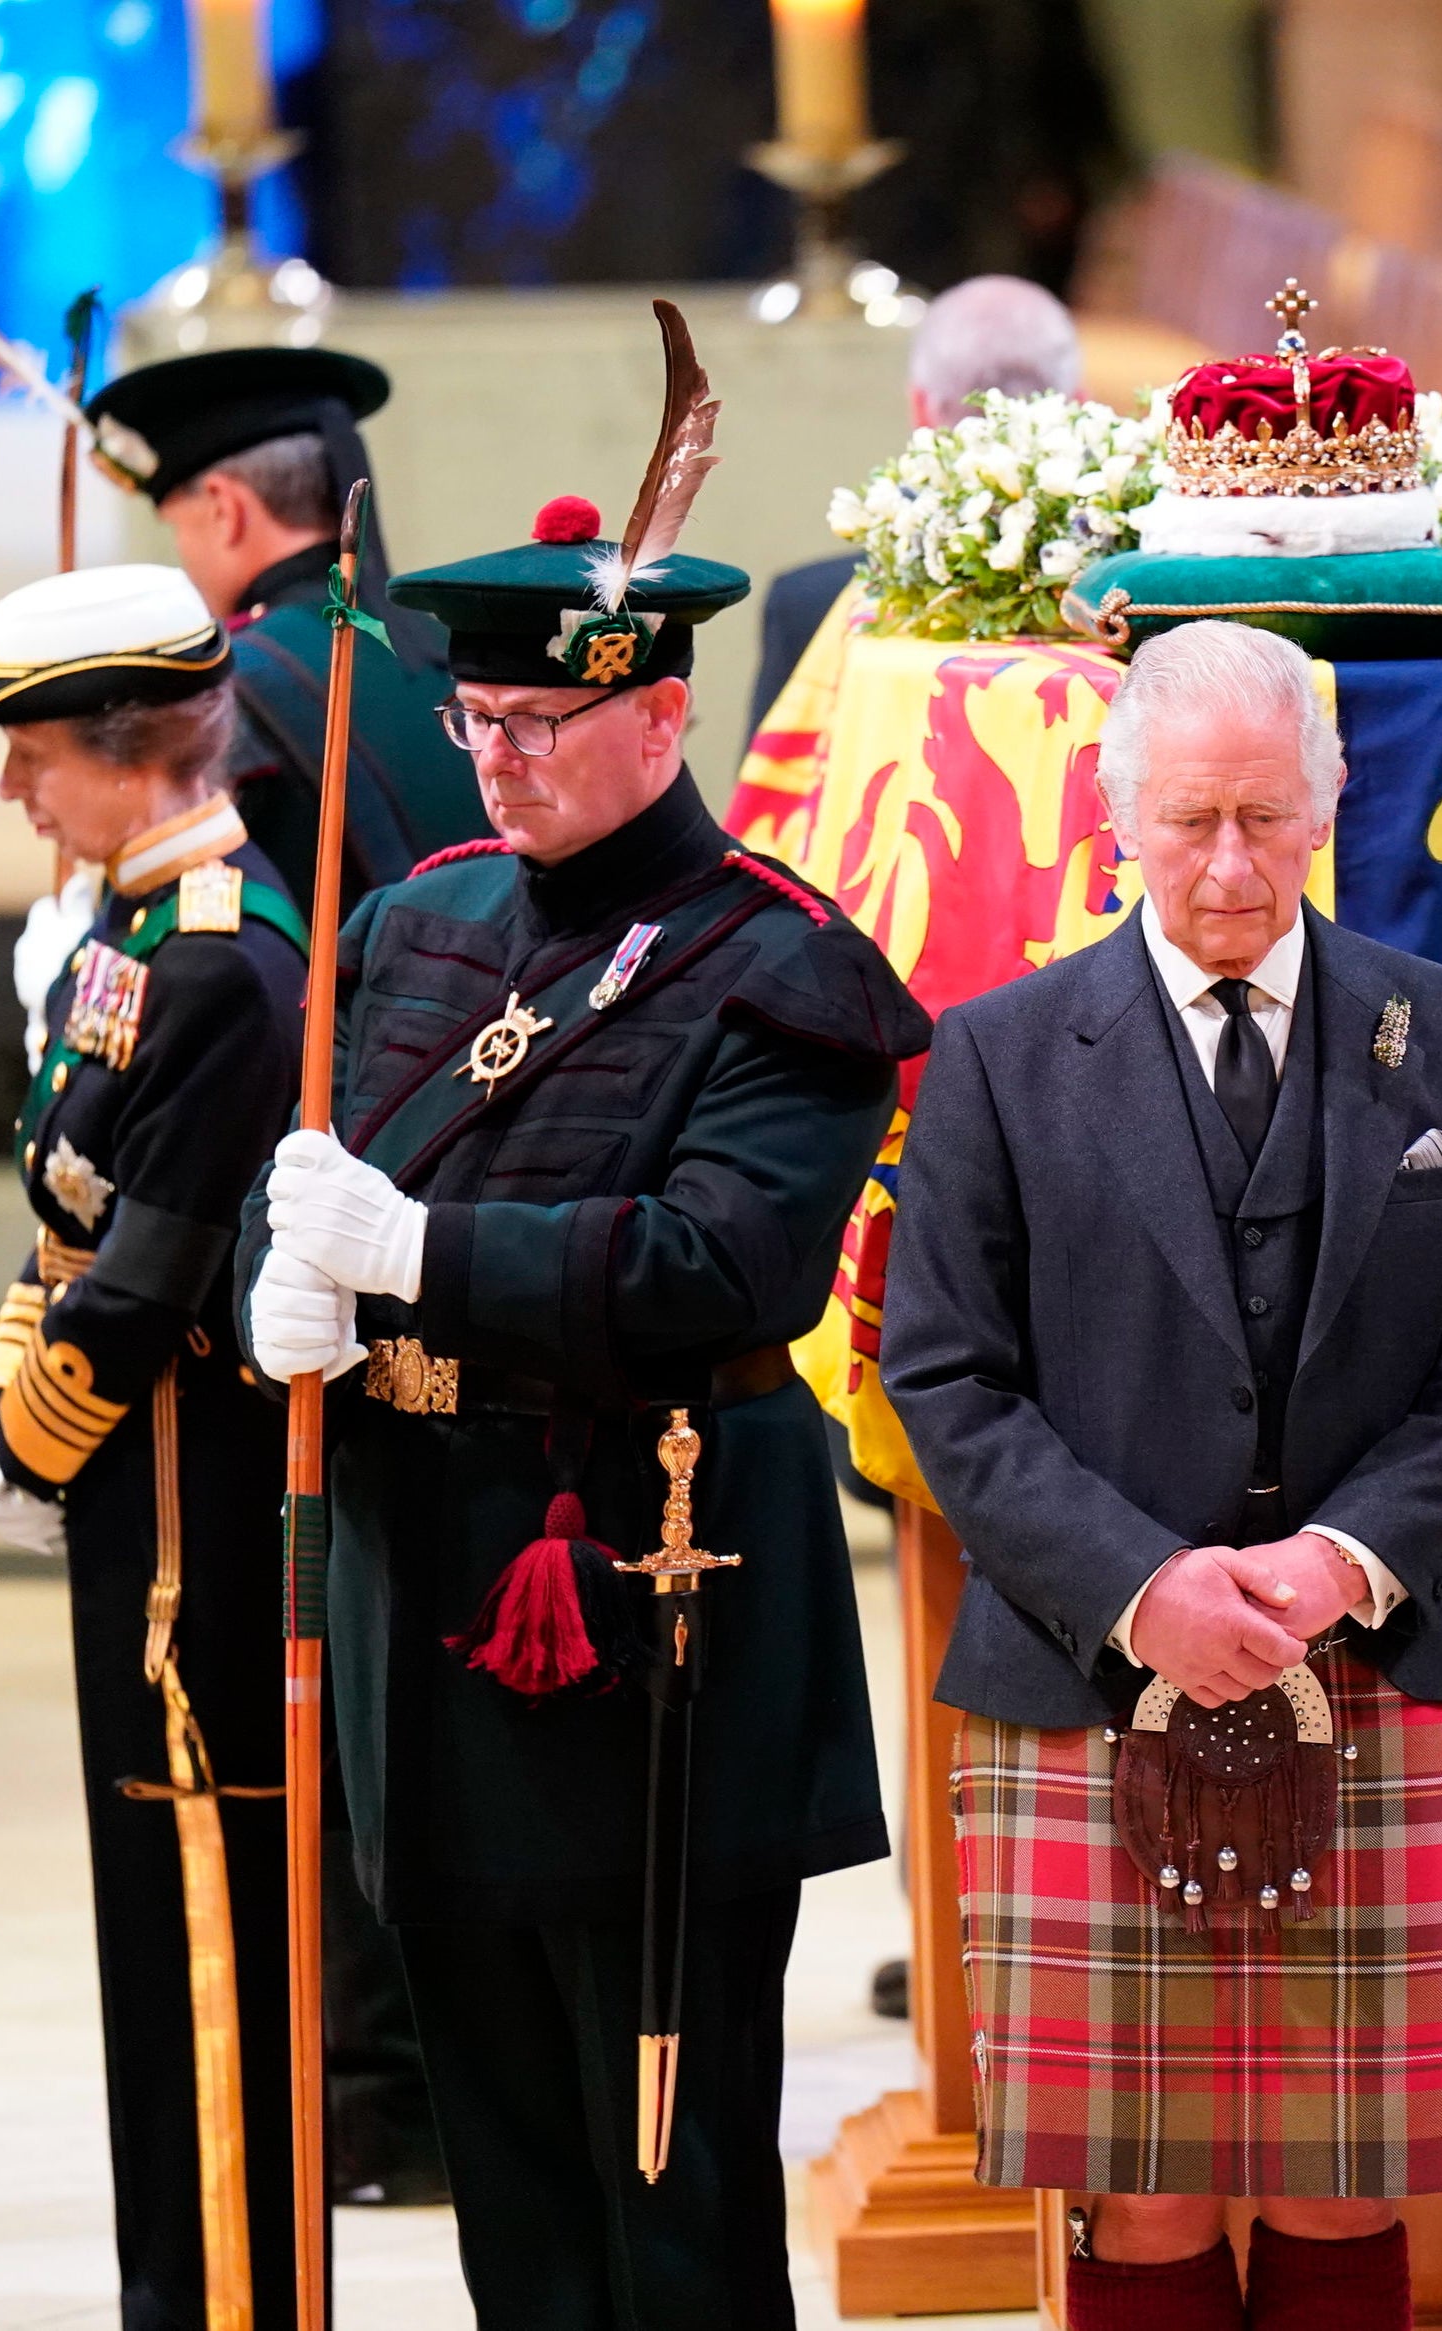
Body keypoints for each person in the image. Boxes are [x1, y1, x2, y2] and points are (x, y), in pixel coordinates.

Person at [236, 475, 929, 2330]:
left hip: (647, 1621)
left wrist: (417, 1249)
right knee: (511, 2176)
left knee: (669, 2182)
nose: (499, 759)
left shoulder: (783, 964)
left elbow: (725, 1263)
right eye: (478, 718)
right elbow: (301, 1173)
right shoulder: (413, 923)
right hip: (424, 1605)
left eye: (542, 720)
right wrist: (275, 1292)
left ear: (660, 712)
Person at [880, 621, 1442, 2331]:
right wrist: (1141, 1587)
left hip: (1375, 1651)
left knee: (1346, 2165)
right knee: (1146, 2180)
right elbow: (945, 1376)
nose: (1232, 864)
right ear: (1117, 815)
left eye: (1267, 816)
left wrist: (1345, 1559)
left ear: (1329, 806)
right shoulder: (998, 1051)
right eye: (1190, 820)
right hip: (1089, 1670)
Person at [88, 339, 493, 2201]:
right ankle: (426, 2079)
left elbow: (233, 973)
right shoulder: (426, 646)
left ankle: (376, 2091)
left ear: (226, 512)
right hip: (476, 1202)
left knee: (321, 1652)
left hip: (320, 1214)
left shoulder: (250, 680)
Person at [0, 563, 309, 2330]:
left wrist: (28, 1442)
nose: (15, 788)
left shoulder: (220, 961)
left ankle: (224, 2304)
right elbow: (69, 1229)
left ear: (132, 746)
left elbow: (150, 1271)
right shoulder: (134, 928)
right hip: (134, 1506)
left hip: (192, 1535)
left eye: (35, 754)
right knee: (151, 1959)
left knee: (204, 1960)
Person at [88, 345, 492, 923]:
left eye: (176, 527)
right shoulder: (458, 649)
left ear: (225, 508)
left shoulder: (222, 687)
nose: (182, 554)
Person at [743, 273, 1085, 732]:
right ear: (1078, 404)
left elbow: (775, 775)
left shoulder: (812, 608)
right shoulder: (1127, 609)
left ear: (920, 408)